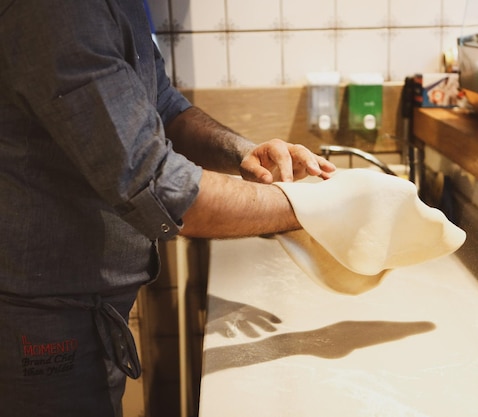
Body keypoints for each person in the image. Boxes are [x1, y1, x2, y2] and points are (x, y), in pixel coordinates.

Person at [0, 1, 335, 416]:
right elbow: (158, 186)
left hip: (87, 305)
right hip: (43, 318)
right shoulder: (61, 11)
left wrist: (244, 154)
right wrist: (313, 207)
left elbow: (162, 102)